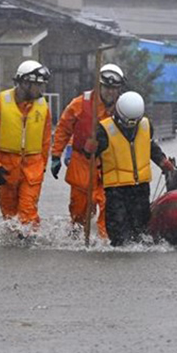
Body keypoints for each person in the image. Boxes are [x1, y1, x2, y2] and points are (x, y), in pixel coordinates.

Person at [50, 64, 125, 239]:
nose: (110, 92)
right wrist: (56, 155)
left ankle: (105, 242)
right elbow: (63, 129)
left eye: (114, 89)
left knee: (109, 207)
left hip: (109, 164)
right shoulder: (80, 104)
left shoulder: (124, 107)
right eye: (106, 88)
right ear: (99, 86)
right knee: (79, 210)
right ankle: (76, 235)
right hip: (82, 162)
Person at [92, 91, 174, 246]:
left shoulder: (145, 125)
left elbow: (150, 147)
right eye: (128, 122)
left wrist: (162, 161)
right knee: (119, 232)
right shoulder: (103, 130)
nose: (131, 126)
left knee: (141, 230)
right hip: (116, 190)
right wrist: (88, 149)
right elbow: (89, 155)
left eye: (134, 122)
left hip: (140, 188)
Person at [0, 60, 52, 236]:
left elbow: (45, 141)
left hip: (33, 167)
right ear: (24, 82)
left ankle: (29, 243)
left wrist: (43, 166)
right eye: (37, 85)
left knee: (27, 211)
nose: (41, 90)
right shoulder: (0, 104)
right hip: (6, 167)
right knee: (9, 214)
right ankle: (15, 244)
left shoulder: (43, 108)